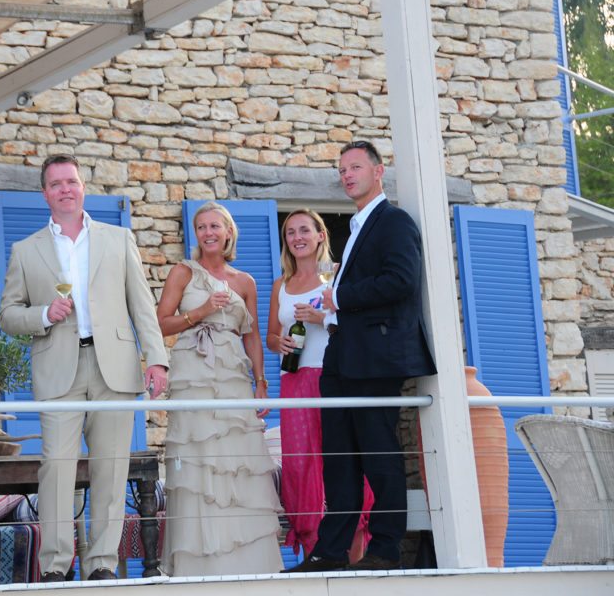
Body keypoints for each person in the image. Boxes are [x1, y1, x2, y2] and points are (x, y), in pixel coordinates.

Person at [0, 154, 168, 582]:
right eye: (56, 184)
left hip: (114, 364)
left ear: (82, 186)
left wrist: (158, 359)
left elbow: (142, 304)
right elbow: (7, 315)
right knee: (56, 465)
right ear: (45, 193)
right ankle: (55, 566)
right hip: (58, 367)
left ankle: (102, 565)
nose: (65, 189)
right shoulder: (25, 249)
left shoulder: (117, 238)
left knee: (111, 467)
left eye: (71, 181)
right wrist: (43, 314)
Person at [287, 141, 437, 572]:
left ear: (378, 171)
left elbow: (402, 281)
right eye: (342, 169)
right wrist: (331, 315)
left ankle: (386, 550)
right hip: (342, 360)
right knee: (340, 462)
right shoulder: (354, 229)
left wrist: (339, 297)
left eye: (355, 167)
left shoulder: (393, 222)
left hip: (376, 360)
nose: (347, 175)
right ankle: (330, 552)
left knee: (379, 455)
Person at [156, 202, 283, 576]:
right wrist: (203, 310)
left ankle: (247, 562)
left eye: (215, 226)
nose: (208, 233)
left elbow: (253, 336)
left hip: (232, 376)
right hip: (194, 370)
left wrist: (261, 383)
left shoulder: (245, 281)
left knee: (237, 460)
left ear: (228, 232)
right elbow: (162, 324)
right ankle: (201, 562)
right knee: (199, 458)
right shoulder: (184, 272)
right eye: (201, 227)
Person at [267, 209, 372, 562]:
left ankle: (354, 555)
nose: (297, 237)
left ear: (320, 235)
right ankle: (316, 553)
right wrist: (276, 344)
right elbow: (270, 334)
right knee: (299, 465)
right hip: (292, 380)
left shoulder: (335, 276)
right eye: (291, 232)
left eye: (304, 230)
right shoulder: (280, 285)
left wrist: (323, 319)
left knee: (338, 461)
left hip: (329, 377)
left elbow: (354, 327)